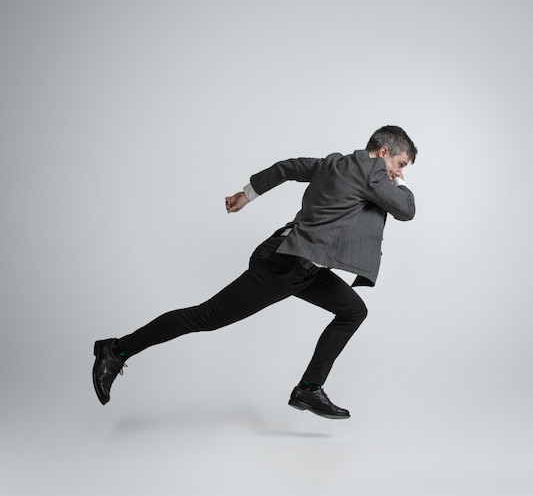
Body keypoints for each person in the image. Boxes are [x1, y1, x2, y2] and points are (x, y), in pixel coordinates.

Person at [92, 125, 417, 419]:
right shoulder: (370, 170)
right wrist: (399, 184)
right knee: (204, 317)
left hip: (301, 264)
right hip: (284, 265)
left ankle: (308, 389)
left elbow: (287, 168)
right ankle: (116, 350)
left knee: (352, 310)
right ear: (384, 152)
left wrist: (246, 195)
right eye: (401, 164)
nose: (399, 173)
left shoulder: (334, 164)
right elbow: (405, 208)